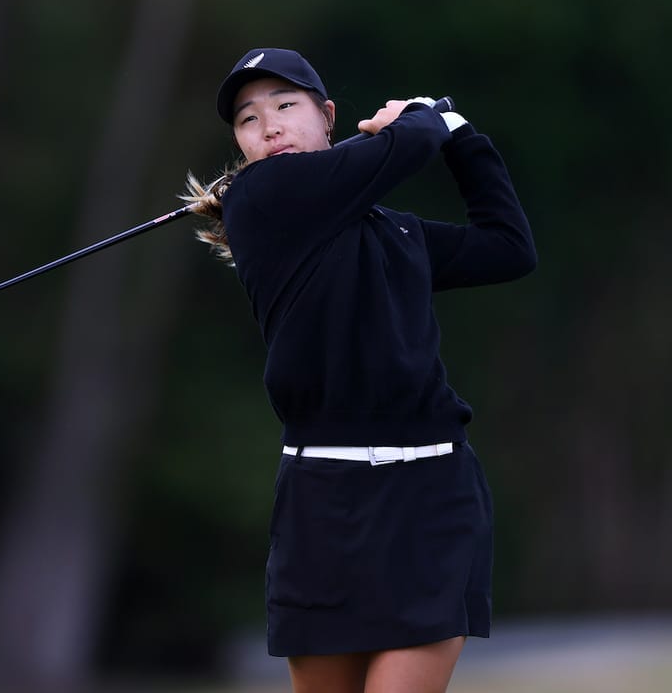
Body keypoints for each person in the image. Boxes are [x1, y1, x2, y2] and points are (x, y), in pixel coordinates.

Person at [185, 48, 537, 693]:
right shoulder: (261, 199)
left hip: (432, 495)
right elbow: (407, 146)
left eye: (286, 107)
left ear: (328, 119)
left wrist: (462, 139)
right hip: (322, 503)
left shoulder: (395, 234)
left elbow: (510, 249)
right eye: (248, 119)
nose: (268, 127)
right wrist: (425, 118)